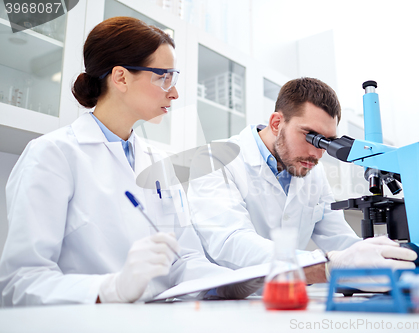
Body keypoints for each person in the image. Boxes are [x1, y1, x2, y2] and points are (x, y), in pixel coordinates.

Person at [0, 16, 260, 307]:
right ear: (121, 77)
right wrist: (111, 289)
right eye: (164, 77)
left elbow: (183, 259)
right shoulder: (52, 155)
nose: (174, 92)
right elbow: (21, 281)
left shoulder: (158, 162)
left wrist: (227, 282)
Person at [187, 77, 417, 283]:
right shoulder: (213, 160)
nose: (317, 154)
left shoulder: (312, 171)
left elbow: (340, 241)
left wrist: (387, 260)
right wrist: (324, 266)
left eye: (327, 141)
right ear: (277, 123)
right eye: (311, 137)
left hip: (288, 302)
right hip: (222, 304)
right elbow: (231, 242)